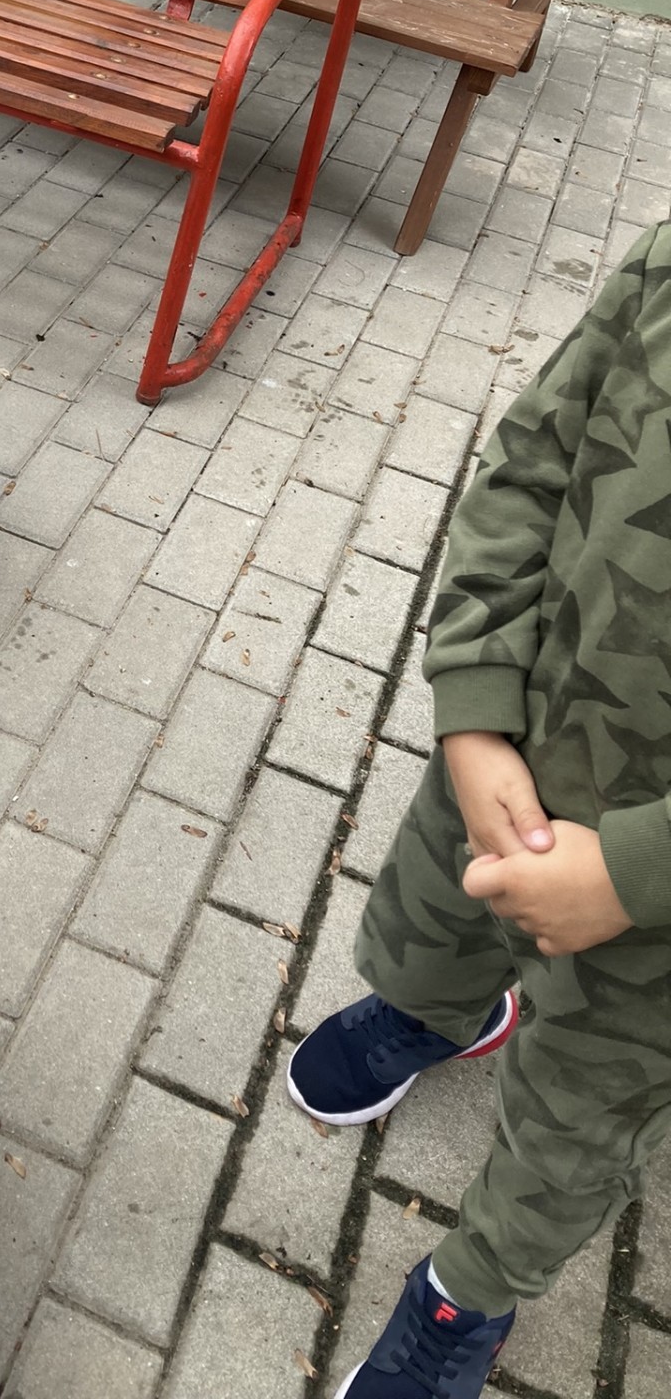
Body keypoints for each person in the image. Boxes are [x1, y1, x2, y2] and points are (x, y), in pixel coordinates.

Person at [287, 220, 671, 1399]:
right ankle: (435, 1014)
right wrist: (473, 701)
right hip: (514, 753)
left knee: (577, 1123)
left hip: (658, 923)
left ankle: (473, 1290)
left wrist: (638, 872)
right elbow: (532, 459)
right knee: (433, 918)